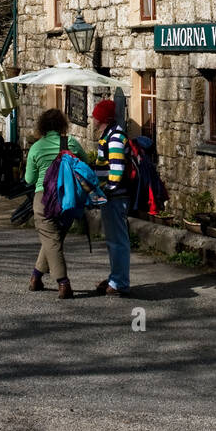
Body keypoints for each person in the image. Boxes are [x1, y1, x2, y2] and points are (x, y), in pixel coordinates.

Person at [24, 108, 86, 300]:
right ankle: (36, 277)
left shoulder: (36, 148)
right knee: (53, 239)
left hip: (43, 199)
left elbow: (29, 179)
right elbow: (84, 166)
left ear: (42, 126)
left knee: (51, 239)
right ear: (62, 125)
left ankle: (63, 283)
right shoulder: (72, 144)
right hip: (67, 199)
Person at [91, 98, 132, 297]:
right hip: (110, 196)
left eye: (95, 116)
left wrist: (106, 191)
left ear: (102, 119)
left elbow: (116, 169)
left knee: (118, 241)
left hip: (115, 196)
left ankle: (120, 282)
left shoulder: (115, 138)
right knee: (113, 240)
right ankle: (115, 277)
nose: (93, 120)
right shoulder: (109, 135)